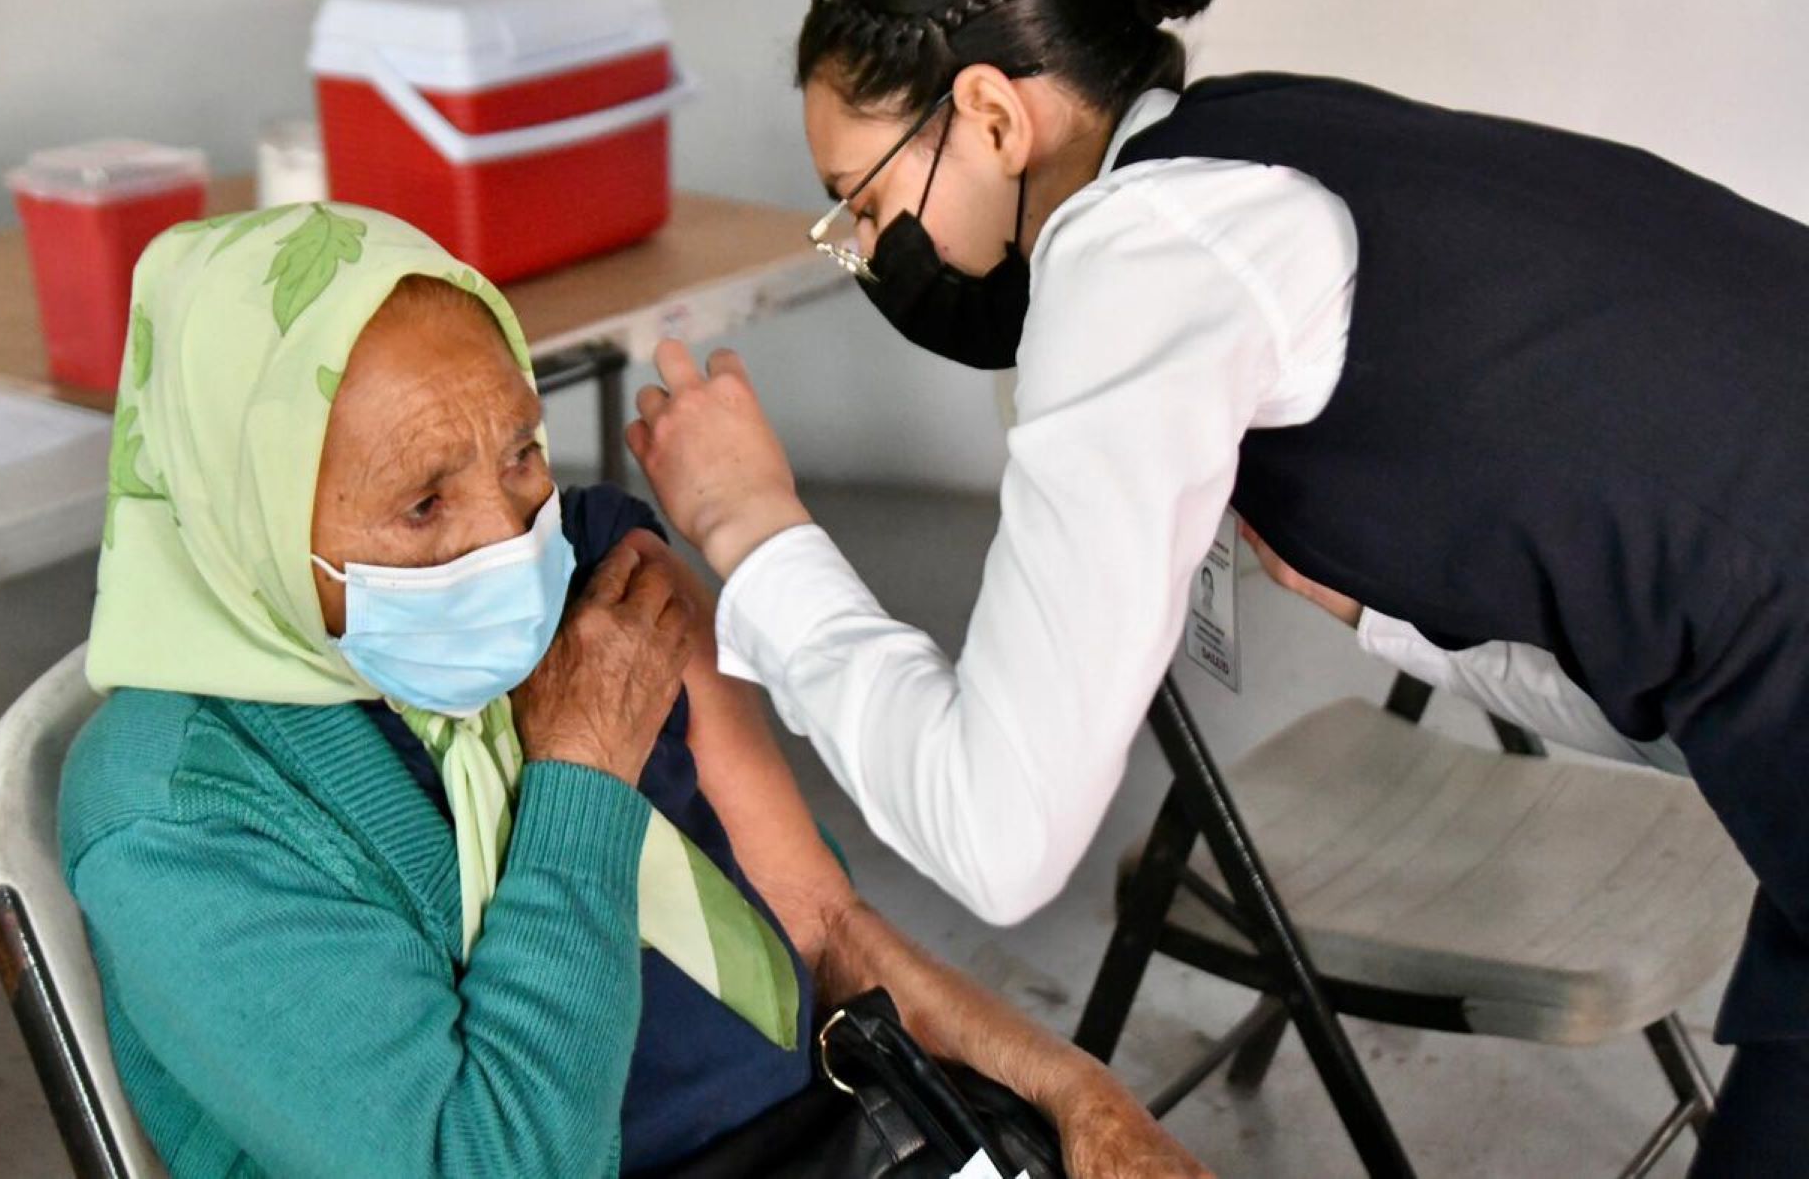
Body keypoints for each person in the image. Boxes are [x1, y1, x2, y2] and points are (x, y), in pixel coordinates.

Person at [622, 0, 1809, 1171]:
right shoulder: (1247, 139)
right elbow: (1672, 628)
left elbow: (998, 834)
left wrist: (755, 528)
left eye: (854, 201)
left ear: (991, 117)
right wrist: (1392, 614)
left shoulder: (1135, 256)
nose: (862, 250)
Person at [59, 203, 1204, 1177]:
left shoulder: (603, 583)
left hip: (846, 1127)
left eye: (520, 455)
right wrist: (582, 771)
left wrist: (1082, 1098)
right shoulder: (184, 812)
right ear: (244, 511)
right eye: (422, 506)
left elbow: (820, 923)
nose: (509, 542)